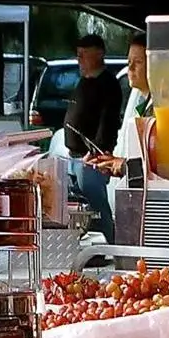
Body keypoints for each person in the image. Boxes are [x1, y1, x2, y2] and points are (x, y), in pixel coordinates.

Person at [64, 34, 123, 246]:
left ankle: (112, 248)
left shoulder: (108, 84)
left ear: (99, 54)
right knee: (80, 210)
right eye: (78, 55)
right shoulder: (84, 82)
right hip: (74, 156)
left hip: (92, 158)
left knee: (97, 208)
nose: (79, 60)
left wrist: (98, 153)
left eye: (83, 55)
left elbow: (108, 122)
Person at [88, 31, 152, 178]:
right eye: (129, 62)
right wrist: (112, 162)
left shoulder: (161, 108)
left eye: (138, 62)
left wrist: (122, 165)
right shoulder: (144, 102)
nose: (131, 68)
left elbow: (155, 165)